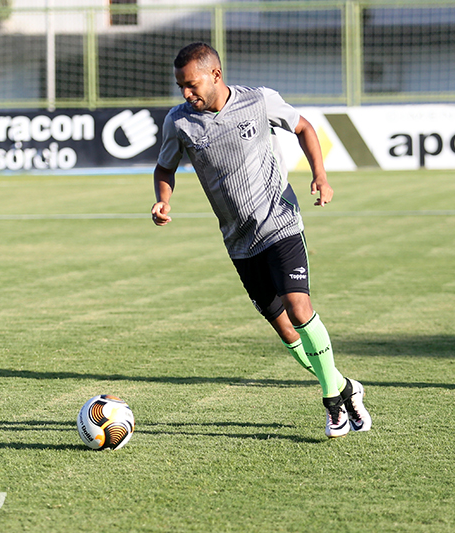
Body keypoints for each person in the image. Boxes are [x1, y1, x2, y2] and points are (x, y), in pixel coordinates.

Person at [151, 42, 371, 438]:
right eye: (180, 86)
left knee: (299, 307)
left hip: (280, 222)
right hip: (239, 242)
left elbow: (304, 127)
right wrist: (162, 200)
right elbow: (165, 167)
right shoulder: (179, 123)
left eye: (191, 84)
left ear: (215, 75)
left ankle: (332, 404)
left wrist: (320, 176)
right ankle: (345, 386)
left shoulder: (259, 102)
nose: (186, 93)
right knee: (287, 332)